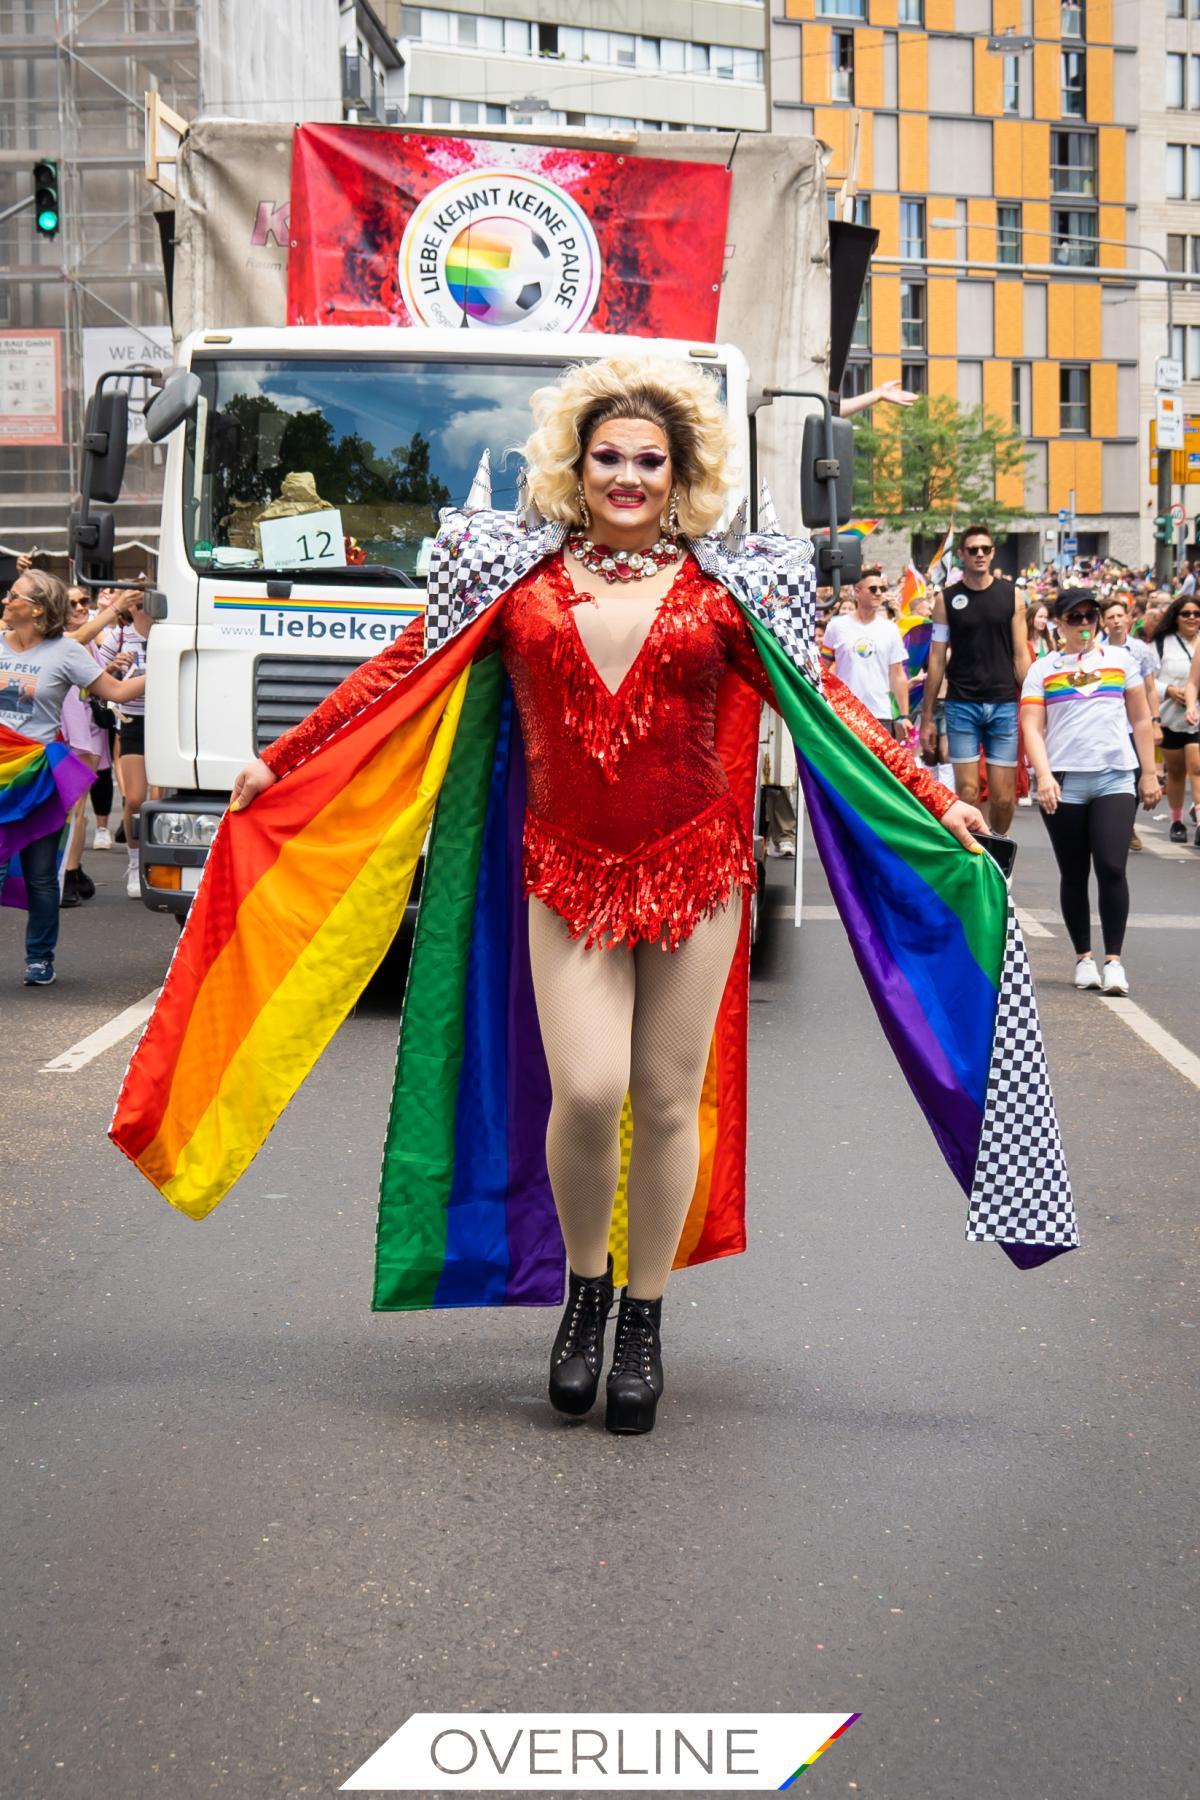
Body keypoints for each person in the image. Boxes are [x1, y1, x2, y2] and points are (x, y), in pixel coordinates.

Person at [115, 357, 1078, 1442]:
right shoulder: (509, 581)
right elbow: (401, 671)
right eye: (608, 458)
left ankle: (646, 1317)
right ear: (577, 467)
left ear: (681, 476)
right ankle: (584, 1293)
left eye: (649, 462)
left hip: (698, 870)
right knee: (586, 1089)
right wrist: (284, 761)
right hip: (563, 870)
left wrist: (933, 794)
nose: (627, 477)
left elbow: (834, 707)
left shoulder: (732, 589)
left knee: (666, 1101)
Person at [0, 571, 145, 984]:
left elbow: (115, 693)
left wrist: (170, 668)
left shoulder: (65, 652)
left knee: (42, 875)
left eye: (14, 595)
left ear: (38, 608)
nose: (7, 599)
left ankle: (40, 958)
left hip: (36, 777)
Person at [1021, 590, 1160, 996]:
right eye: (1074, 617)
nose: (1084, 624)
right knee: (1074, 872)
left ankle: (1114, 961)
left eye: (1090, 616)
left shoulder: (1120, 662)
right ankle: (1083, 957)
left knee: (1112, 867)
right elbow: (1032, 725)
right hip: (1064, 781)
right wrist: (1044, 776)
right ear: (1058, 624)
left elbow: (1140, 718)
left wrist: (1148, 773)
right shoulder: (1042, 668)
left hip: (1115, 776)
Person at [920, 524, 1030, 836]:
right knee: (967, 793)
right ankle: (976, 859)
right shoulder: (946, 599)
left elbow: (1021, 655)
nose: (979, 554)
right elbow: (937, 658)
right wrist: (927, 716)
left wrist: (1037, 702)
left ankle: (998, 851)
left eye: (985, 549)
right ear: (961, 555)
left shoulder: (1013, 596)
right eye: (973, 550)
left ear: (993, 553)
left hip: (1004, 705)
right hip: (961, 705)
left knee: (1004, 798)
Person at [94, 593, 152, 897]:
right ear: (129, 606)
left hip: (170, 720)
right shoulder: (119, 635)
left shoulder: (171, 630)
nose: (142, 608)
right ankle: (134, 862)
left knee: (162, 798)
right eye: (138, 602)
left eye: (148, 601)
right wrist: (114, 667)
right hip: (134, 721)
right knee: (134, 799)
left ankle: (157, 861)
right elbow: (92, 675)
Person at [820, 565, 910, 739]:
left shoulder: (890, 629)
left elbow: (897, 674)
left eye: (882, 589)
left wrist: (904, 716)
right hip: (845, 713)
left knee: (879, 766)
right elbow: (823, 668)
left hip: (880, 714)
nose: (878, 593)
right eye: (873, 588)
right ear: (857, 592)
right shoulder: (836, 626)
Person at [1150, 593, 1200, 844]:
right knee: (1177, 771)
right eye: (1186, 613)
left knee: (1197, 764)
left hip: (1197, 717)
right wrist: (1169, 690)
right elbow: (1149, 679)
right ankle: (1177, 819)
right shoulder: (1162, 643)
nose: (1192, 618)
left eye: (1196, 614)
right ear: (1176, 617)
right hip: (1170, 715)